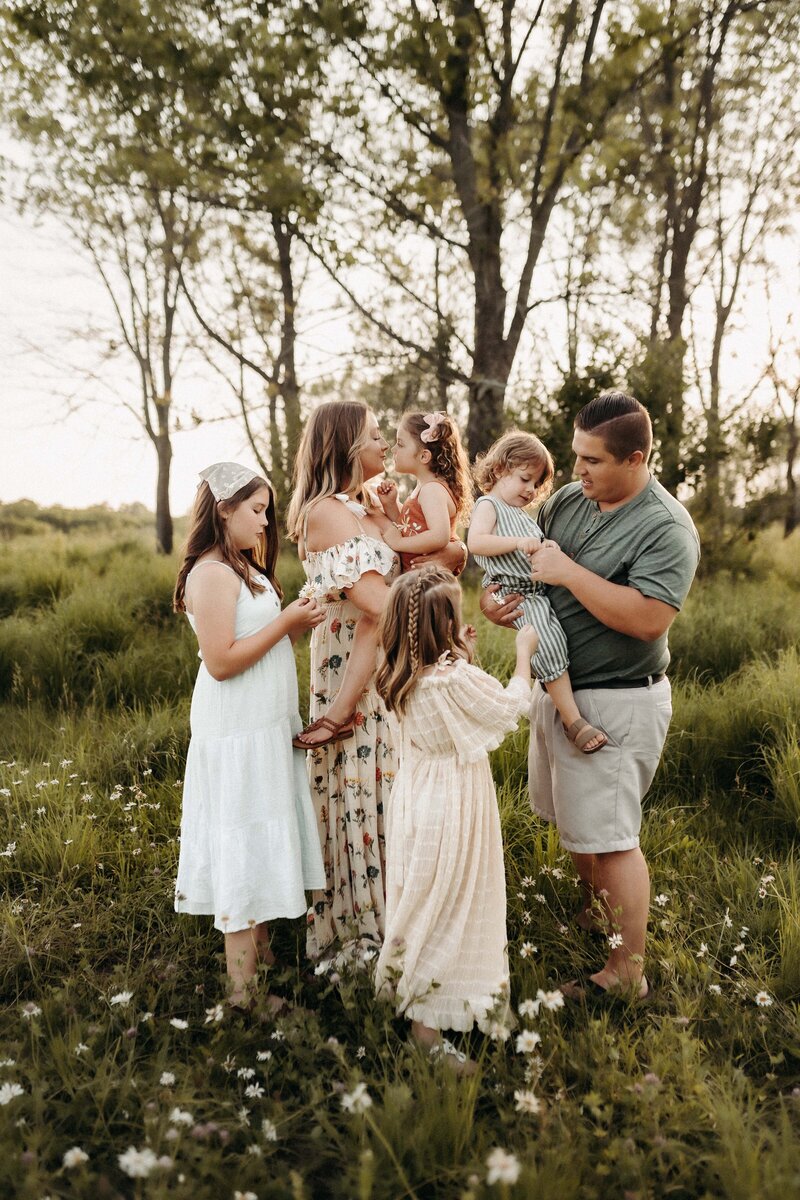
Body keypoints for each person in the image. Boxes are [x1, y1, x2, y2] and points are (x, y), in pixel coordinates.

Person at [480, 392, 699, 1000]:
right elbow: (524, 572)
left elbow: (650, 618)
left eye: (592, 462)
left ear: (634, 458)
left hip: (620, 698)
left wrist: (569, 573)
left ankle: (626, 973)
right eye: (575, 458)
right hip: (562, 687)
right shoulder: (571, 502)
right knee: (574, 821)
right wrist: (497, 607)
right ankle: (596, 917)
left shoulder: (666, 527)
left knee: (611, 835)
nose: (575, 473)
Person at [287, 402, 467, 964]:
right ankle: (364, 933)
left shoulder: (367, 505)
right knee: (363, 795)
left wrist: (449, 553)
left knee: (398, 797)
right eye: (372, 437)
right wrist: (441, 609)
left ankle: (408, 928)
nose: (384, 446)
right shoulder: (325, 513)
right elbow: (373, 602)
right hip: (351, 677)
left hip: (390, 670)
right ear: (344, 448)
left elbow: (410, 568)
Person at [173, 462, 326, 1010]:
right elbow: (220, 661)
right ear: (224, 510)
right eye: (256, 511)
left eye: (267, 512)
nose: (264, 523)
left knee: (259, 832)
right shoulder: (211, 573)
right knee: (242, 837)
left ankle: (262, 960)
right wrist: (286, 623)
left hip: (263, 724)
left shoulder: (240, 565)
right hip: (236, 727)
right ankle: (243, 995)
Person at [375, 566, 538, 1069]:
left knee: (423, 896)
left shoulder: (398, 672)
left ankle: (421, 1003)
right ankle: (427, 1031)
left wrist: (458, 652)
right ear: (444, 625)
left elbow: (448, 698)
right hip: (455, 804)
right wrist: (524, 655)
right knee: (452, 902)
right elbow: (511, 707)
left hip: (415, 796)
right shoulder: (453, 680)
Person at [468, 430, 606, 753]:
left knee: (554, 638)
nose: (530, 490)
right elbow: (475, 542)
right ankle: (574, 721)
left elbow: (531, 549)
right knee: (547, 643)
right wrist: (519, 543)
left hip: (536, 593)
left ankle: (542, 701)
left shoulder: (521, 516)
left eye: (535, 484)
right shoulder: (489, 505)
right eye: (524, 479)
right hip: (515, 593)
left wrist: (546, 546)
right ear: (500, 469)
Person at [377, 410, 473, 572]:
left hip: (430, 583)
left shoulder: (432, 490)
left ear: (424, 456)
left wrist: (398, 543)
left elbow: (439, 536)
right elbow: (410, 528)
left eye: (400, 444)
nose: (393, 449)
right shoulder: (424, 487)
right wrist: (391, 505)